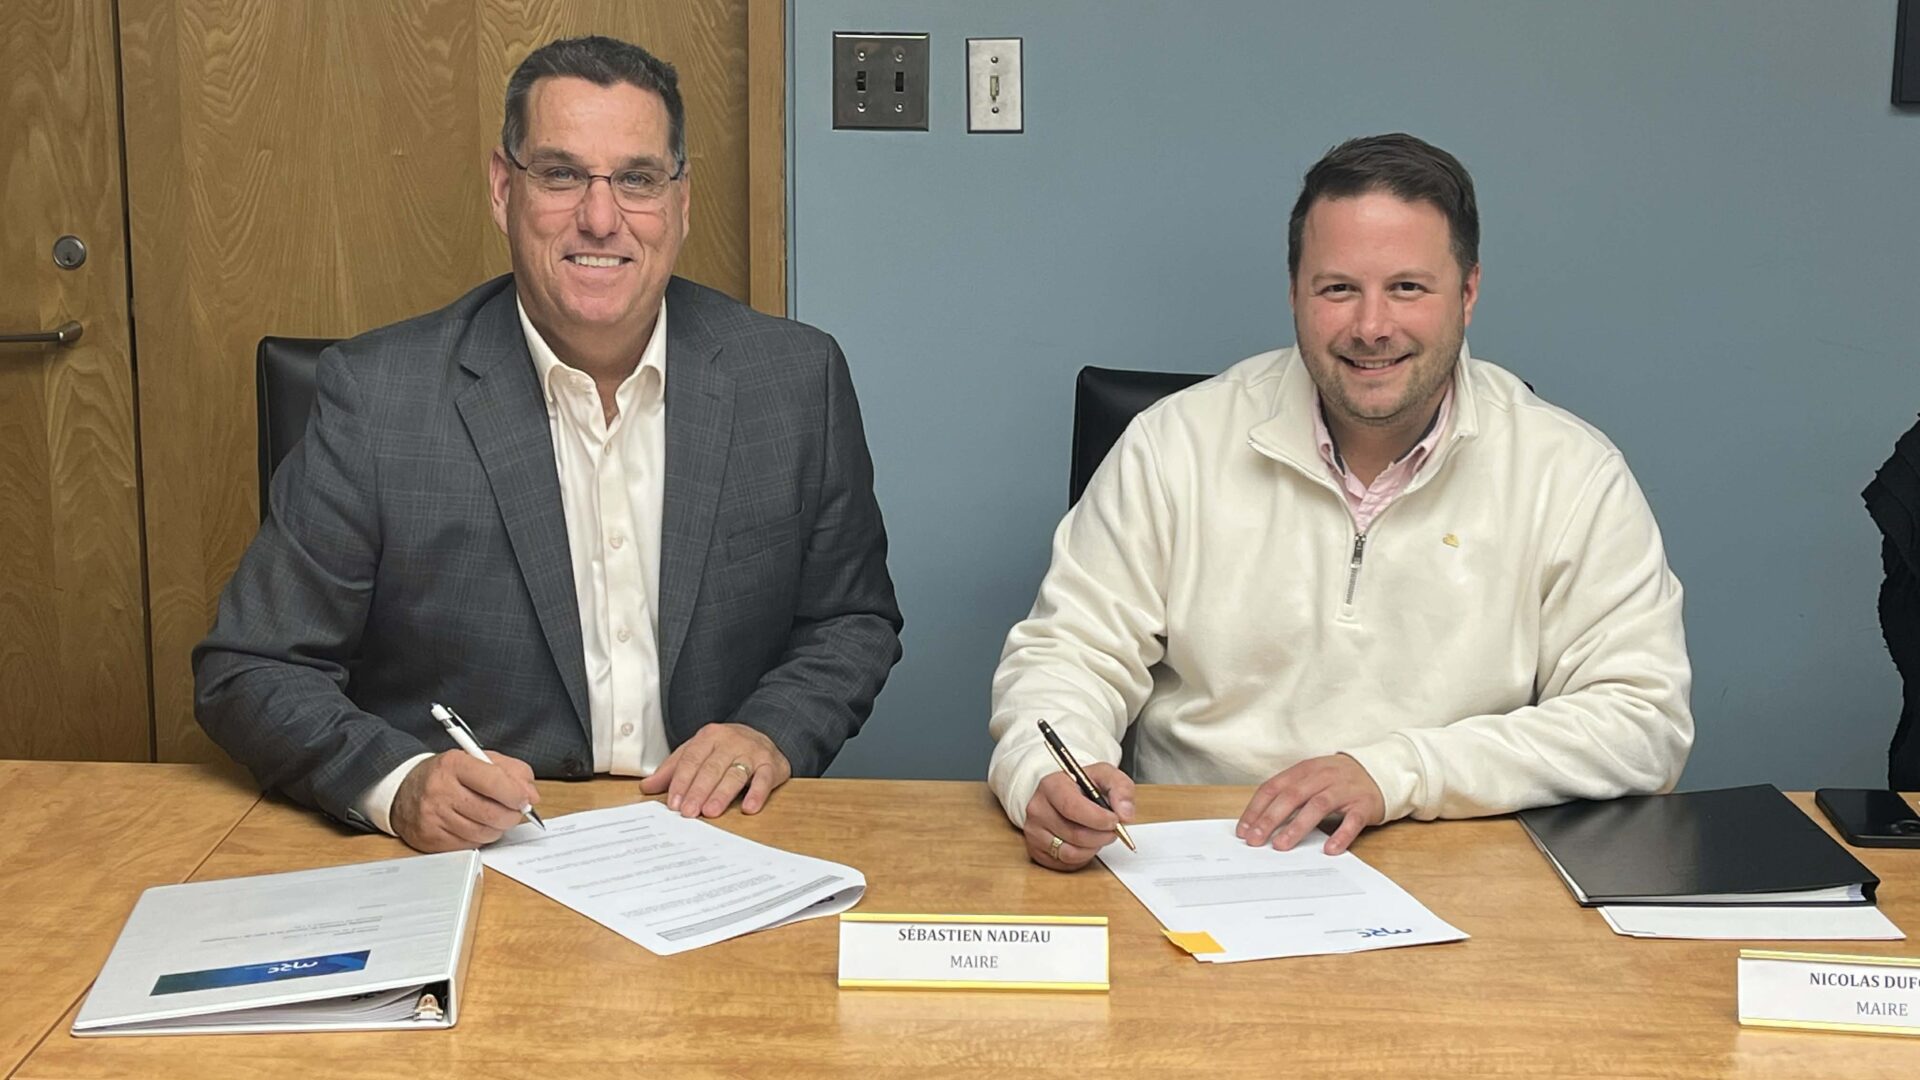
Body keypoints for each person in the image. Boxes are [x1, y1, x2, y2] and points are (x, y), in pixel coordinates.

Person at [195, 35, 902, 853]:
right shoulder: (378, 396)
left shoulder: (795, 379)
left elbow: (850, 620)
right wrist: (398, 784)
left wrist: (771, 732)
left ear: (680, 201)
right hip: (479, 851)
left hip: (717, 845)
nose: (600, 219)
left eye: (636, 179)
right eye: (562, 175)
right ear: (504, 189)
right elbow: (250, 666)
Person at [987, 133, 1693, 870]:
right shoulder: (1174, 445)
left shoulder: (1571, 473)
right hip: (1202, 858)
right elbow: (1069, 653)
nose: (1371, 326)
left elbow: (1640, 721)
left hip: (1468, 866)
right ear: (1294, 292)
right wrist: (1047, 777)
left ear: (1470, 294)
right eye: (1338, 289)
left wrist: (1396, 773)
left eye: (1408, 288)